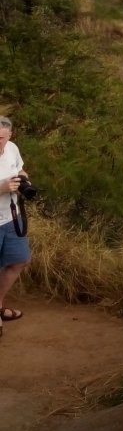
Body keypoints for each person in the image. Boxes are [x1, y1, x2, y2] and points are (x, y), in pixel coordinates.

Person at [0, 115, 31, 337]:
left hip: (12, 217)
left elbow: (19, 169)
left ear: (9, 135)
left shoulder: (12, 148)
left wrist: (24, 179)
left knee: (20, 260)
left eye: (1, 138)